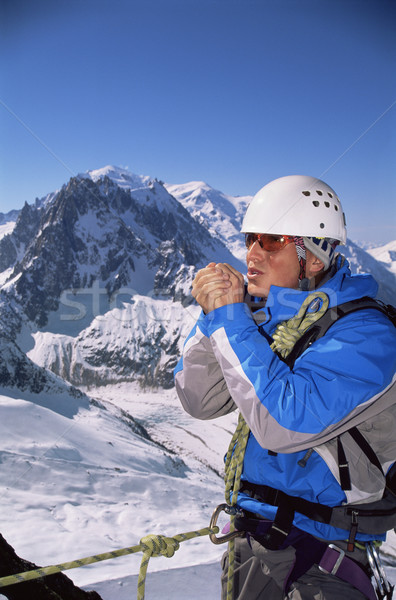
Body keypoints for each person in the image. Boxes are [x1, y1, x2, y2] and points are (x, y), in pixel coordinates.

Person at [174, 175, 396, 600]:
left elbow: (284, 425)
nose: (251, 254)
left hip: (323, 564)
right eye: (250, 238)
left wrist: (230, 321)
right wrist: (213, 322)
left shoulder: (369, 337)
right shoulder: (273, 320)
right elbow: (199, 400)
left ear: (313, 259)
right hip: (255, 548)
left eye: (271, 241)